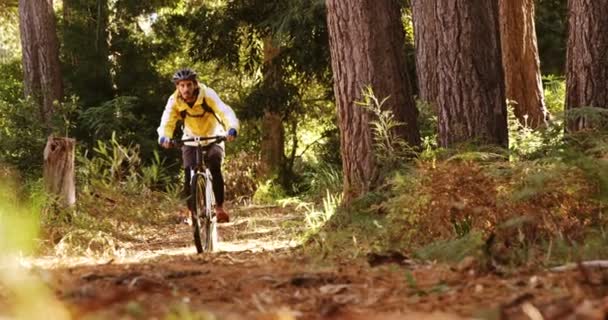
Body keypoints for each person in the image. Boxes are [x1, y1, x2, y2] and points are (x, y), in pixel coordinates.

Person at [157, 68, 239, 223]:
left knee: (214, 165)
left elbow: (225, 112)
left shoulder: (207, 95)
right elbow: (167, 121)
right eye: (181, 86)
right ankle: (191, 212)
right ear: (177, 87)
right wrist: (164, 137)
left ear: (195, 84)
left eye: (188, 85)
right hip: (191, 138)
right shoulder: (174, 101)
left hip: (213, 136)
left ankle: (219, 208)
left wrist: (232, 128)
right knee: (188, 172)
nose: (185, 89)